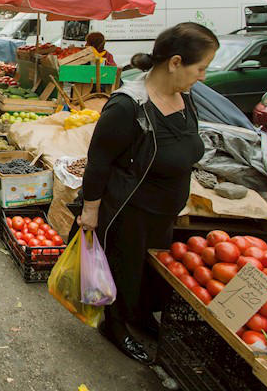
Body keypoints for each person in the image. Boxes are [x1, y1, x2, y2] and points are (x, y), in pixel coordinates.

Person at [78, 22, 218, 364]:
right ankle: (116, 326)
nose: (202, 76)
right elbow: (98, 161)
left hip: (164, 209)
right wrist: (91, 211)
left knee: (148, 271)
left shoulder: (185, 97)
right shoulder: (127, 106)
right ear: (175, 62)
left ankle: (139, 316)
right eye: (200, 68)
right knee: (123, 270)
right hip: (131, 209)